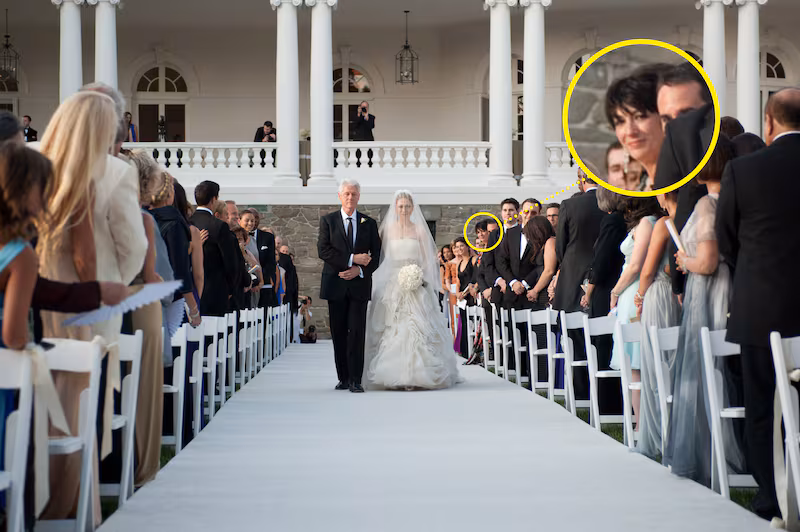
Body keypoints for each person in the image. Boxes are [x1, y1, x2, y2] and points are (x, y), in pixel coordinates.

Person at [37, 91, 147, 526]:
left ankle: (37, 496)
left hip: (38, 296)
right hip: (94, 300)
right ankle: (73, 501)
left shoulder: (37, 165)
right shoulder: (114, 172)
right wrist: (114, 281)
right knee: (86, 400)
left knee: (42, 396)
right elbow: (134, 247)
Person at [716, 88, 800, 521]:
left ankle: (772, 498)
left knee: (763, 407)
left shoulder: (744, 171)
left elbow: (726, 237)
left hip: (760, 307)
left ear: (768, 122)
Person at [665, 135, 745, 488]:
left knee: (704, 368)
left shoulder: (707, 205)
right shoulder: (730, 199)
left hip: (709, 289)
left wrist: (685, 259)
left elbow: (709, 262)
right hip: (714, 286)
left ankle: (713, 451)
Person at [364, 190, 462, 390]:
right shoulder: (387, 230)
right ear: (395, 207)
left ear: (412, 207)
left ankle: (419, 373)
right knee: (392, 326)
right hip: (392, 282)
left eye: (407, 206)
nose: (404, 209)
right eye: (400, 206)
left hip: (415, 281)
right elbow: (379, 256)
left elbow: (427, 259)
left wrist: (421, 277)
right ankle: (392, 372)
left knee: (417, 325)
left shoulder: (418, 230)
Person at [317, 179, 382, 393]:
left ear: (359, 197)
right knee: (338, 332)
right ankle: (342, 377)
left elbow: (376, 255)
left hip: (358, 285)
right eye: (346, 194)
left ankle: (356, 379)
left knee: (356, 331)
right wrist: (352, 259)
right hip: (335, 283)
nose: (350, 197)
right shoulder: (328, 221)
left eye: (354, 194)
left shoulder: (369, 223)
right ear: (339, 196)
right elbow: (324, 250)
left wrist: (359, 270)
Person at [634, 190, 681, 461]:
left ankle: (658, 436)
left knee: (655, 366)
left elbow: (648, 270)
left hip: (658, 295)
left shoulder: (663, 223)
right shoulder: (690, 217)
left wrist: (640, 297)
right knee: (674, 365)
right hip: (676, 296)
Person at [608, 197, 663, 428]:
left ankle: (642, 424)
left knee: (637, 364)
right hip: (632, 292)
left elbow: (635, 266)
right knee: (635, 365)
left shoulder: (646, 224)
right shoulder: (650, 222)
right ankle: (641, 422)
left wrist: (615, 291)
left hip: (634, 291)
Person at [582, 186, 626, 415]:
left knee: (604, 345)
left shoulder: (612, 222)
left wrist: (588, 291)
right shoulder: (621, 221)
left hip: (605, 289)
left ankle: (608, 406)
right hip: (611, 286)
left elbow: (601, 261)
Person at [189, 181, 247, 316]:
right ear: (214, 199)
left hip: (190, 289)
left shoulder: (188, 222)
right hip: (215, 291)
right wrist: (231, 289)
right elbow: (230, 262)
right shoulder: (219, 226)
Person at [239, 209, 275, 309]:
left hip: (257, 284)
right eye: (247, 220)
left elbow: (262, 264)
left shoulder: (256, 241)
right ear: (239, 220)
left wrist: (260, 281)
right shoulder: (233, 236)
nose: (250, 223)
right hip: (240, 282)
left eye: (253, 220)